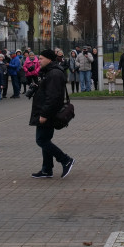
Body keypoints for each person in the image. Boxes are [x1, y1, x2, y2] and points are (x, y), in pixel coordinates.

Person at [28, 49, 74, 179]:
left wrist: (44, 114)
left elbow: (53, 97)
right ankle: (47, 169)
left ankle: (65, 160)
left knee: (41, 140)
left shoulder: (54, 73)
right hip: (45, 111)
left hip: (47, 112)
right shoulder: (49, 72)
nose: (39, 60)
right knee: (45, 140)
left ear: (49, 59)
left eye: (41, 58)